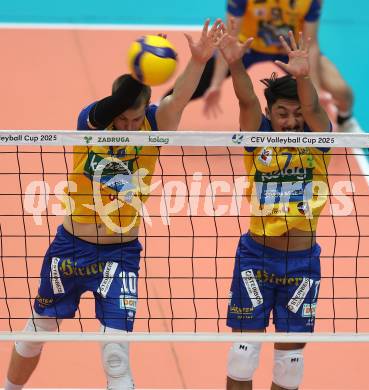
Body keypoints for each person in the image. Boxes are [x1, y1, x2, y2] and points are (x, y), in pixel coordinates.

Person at [4, 19, 221, 390]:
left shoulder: (155, 124)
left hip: (120, 255)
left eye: (136, 119)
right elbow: (116, 105)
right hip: (71, 249)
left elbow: (178, 99)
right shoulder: (91, 122)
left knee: (116, 355)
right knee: (36, 332)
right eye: (123, 118)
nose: (129, 126)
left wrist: (198, 62)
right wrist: (141, 76)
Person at [215, 21, 331, 390]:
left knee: (290, 363)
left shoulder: (318, 141)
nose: (292, 121)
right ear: (271, 112)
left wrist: (304, 78)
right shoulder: (256, 136)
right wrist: (235, 65)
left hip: (301, 262)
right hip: (257, 257)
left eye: (297, 114)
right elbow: (247, 99)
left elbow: (311, 107)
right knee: (243, 355)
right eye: (283, 113)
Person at [166, 0, 361, 133]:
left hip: (291, 49)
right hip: (248, 46)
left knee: (343, 92)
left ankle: (344, 119)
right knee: (200, 80)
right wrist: (216, 84)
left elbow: (313, 44)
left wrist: (316, 89)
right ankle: (158, 109)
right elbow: (230, 37)